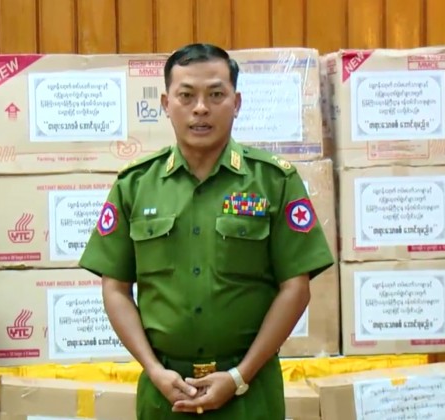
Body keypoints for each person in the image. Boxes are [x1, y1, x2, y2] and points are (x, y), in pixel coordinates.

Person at [78, 43, 335, 419]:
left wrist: (239, 376)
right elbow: (115, 288)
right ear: (165, 104)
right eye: (186, 96)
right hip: (165, 394)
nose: (200, 108)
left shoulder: (274, 181)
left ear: (237, 102)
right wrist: (153, 370)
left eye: (216, 95)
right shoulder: (135, 184)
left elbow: (296, 289)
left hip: (250, 394)